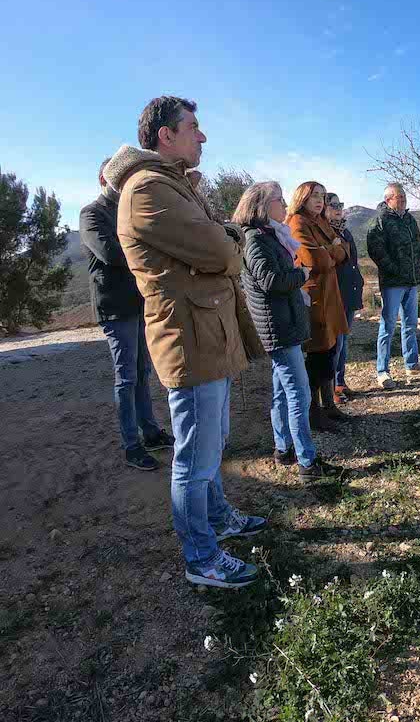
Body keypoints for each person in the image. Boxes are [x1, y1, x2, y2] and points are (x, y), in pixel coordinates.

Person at [105, 95, 266, 589]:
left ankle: (216, 519)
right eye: (193, 127)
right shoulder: (148, 189)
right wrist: (225, 248)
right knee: (194, 457)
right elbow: (221, 248)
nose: (203, 136)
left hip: (205, 333)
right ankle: (201, 558)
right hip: (188, 338)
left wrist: (223, 247)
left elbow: (221, 244)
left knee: (211, 445)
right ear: (164, 136)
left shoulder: (175, 186)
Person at [80, 157, 174, 471]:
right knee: (126, 377)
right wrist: (143, 248)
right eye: (118, 177)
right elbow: (108, 253)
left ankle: (149, 432)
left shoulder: (125, 210)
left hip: (137, 302)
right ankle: (131, 446)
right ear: (104, 180)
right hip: (115, 306)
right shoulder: (91, 213)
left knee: (142, 372)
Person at [234, 181, 329, 484]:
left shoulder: (268, 235)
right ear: (262, 205)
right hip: (279, 328)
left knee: (280, 392)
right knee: (298, 394)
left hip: (283, 324)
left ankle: (283, 448)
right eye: (278, 198)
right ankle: (308, 463)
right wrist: (300, 273)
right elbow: (271, 279)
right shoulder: (255, 239)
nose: (284, 203)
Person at [286, 182, 349, 428]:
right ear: (302, 197)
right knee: (317, 355)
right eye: (314, 196)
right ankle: (314, 413)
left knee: (330, 351)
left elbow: (345, 251)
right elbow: (315, 260)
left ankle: (329, 405)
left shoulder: (321, 221)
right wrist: (331, 250)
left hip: (330, 296)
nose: (319, 200)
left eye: (322, 196)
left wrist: (330, 250)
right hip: (315, 299)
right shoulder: (297, 223)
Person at [366, 182, 420, 388]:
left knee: (410, 324)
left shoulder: (409, 219)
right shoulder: (381, 220)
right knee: (388, 326)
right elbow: (376, 250)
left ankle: (411, 362)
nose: (402, 200)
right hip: (393, 282)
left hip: (411, 280)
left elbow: (418, 246)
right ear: (388, 199)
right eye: (398, 197)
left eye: (403, 196)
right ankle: (382, 371)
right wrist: (393, 269)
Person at [325, 193, 364, 402]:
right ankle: (330, 390)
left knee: (344, 342)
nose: (338, 208)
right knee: (334, 344)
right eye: (332, 205)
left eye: (340, 204)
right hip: (333, 295)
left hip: (348, 293)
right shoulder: (323, 232)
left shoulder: (345, 231)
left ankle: (340, 382)